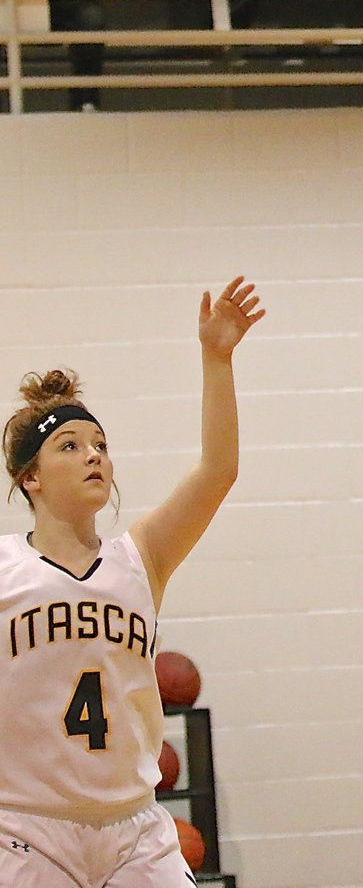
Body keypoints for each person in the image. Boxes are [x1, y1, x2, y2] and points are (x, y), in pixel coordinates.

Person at [0, 277, 263, 886]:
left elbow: (219, 470)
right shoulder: (7, 568)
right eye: (70, 445)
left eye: (100, 444)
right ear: (31, 478)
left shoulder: (141, 556)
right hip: (26, 829)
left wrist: (216, 358)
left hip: (135, 828)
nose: (93, 454)